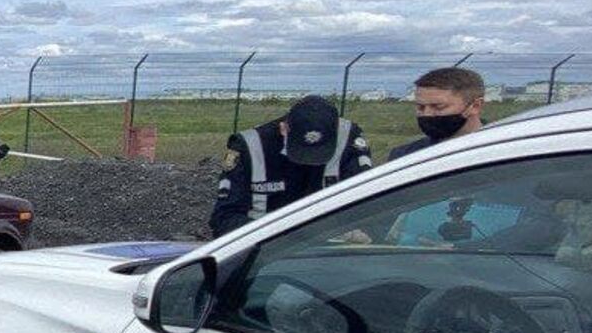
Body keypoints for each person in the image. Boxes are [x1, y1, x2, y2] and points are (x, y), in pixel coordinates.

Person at [209, 94, 372, 237]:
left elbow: (371, 207)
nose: (309, 163)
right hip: (264, 251)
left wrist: (354, 231)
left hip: (331, 253)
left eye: (319, 154)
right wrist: (283, 234)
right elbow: (224, 219)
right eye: (301, 151)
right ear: (283, 128)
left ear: (336, 130)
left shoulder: (350, 141)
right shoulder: (249, 146)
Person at [389, 67, 488, 162]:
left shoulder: (497, 151)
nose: (426, 114)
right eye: (420, 107)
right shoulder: (405, 156)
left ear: (475, 106)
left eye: (438, 107)